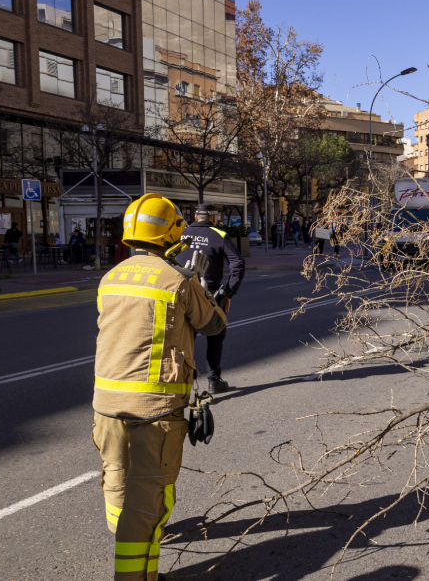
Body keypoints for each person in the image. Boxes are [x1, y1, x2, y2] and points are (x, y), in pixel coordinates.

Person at [92, 193, 225, 581]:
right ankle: (135, 574)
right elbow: (214, 325)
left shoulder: (110, 276)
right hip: (155, 407)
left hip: (106, 402)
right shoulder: (178, 279)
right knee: (149, 499)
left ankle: (129, 542)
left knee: (116, 474)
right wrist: (201, 286)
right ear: (170, 233)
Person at [174, 204, 244, 393]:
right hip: (208, 292)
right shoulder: (219, 234)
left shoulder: (180, 232)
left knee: (185, 337)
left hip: (180, 291)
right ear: (213, 218)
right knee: (215, 335)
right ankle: (214, 380)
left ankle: (182, 381)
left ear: (196, 217)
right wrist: (228, 291)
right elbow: (238, 263)